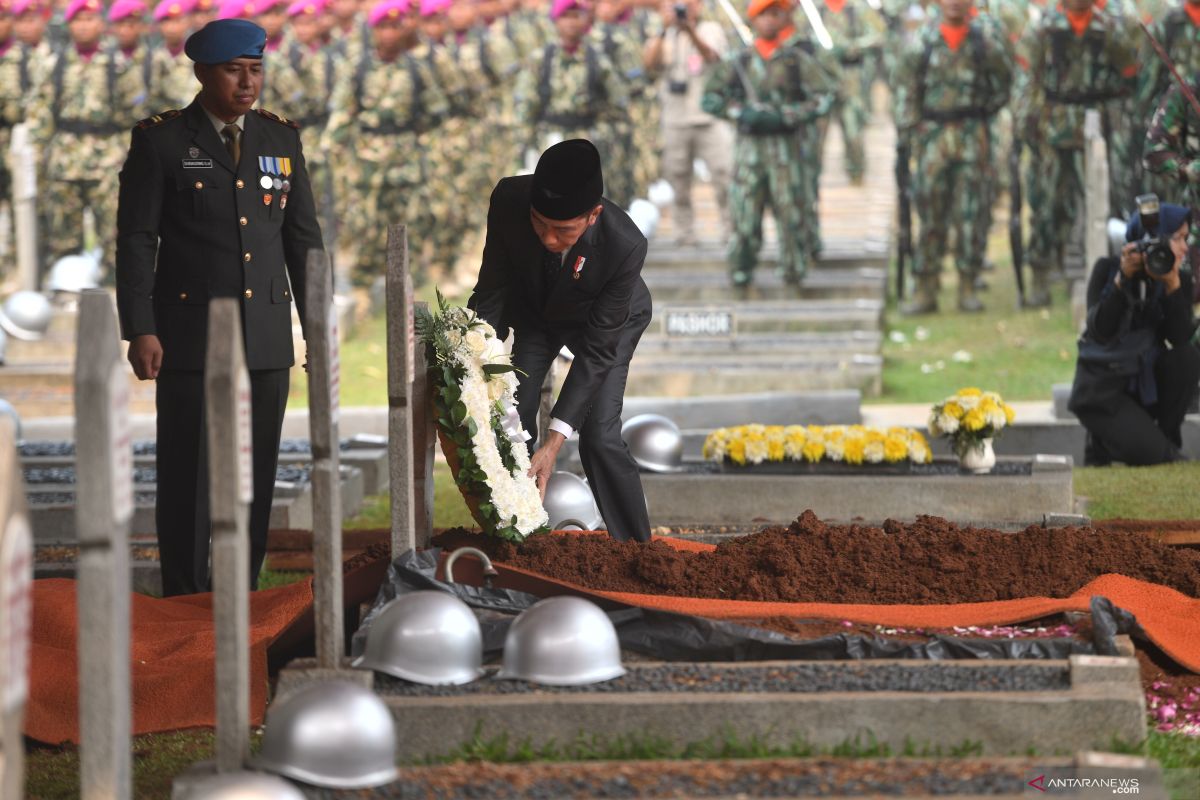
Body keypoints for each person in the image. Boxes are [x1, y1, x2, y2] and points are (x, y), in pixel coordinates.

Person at [115, 18, 324, 596]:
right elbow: (137, 239)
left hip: (263, 339)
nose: (247, 82)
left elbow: (303, 242)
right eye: (234, 70)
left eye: (256, 70)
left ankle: (241, 591)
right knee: (188, 475)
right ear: (203, 72)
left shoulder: (281, 139)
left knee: (254, 477)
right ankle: (185, 594)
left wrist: (317, 332)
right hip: (189, 336)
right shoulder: (160, 141)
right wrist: (141, 328)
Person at [468, 139, 653, 543]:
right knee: (513, 416)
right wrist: (475, 362)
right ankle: (518, 533)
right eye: (540, 224)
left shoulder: (626, 245)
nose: (548, 240)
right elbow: (493, 289)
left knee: (599, 434)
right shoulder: (509, 199)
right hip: (539, 312)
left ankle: (636, 547)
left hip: (606, 322)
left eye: (563, 230)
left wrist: (555, 443)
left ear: (593, 216)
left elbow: (597, 352)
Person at [700, 0, 836, 296]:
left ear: (784, 17)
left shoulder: (796, 60)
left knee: (791, 217)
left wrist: (787, 116)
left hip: (787, 154)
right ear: (753, 21)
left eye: (775, 14)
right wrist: (740, 114)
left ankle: (792, 280)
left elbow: (824, 96)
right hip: (749, 156)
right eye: (763, 15)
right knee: (745, 220)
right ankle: (740, 279)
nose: (769, 21)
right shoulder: (739, 61)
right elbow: (710, 98)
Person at [892, 0, 1013, 314]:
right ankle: (925, 288)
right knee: (930, 212)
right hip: (933, 139)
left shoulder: (983, 42)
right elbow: (906, 89)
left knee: (971, 214)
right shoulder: (922, 42)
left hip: (973, 138)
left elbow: (1003, 82)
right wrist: (911, 134)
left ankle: (968, 285)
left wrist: (983, 113)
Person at [1017, 0, 1137, 306]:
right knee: (1047, 204)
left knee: (1104, 203)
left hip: (1098, 126)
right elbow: (1028, 80)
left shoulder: (1110, 26)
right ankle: (1041, 275)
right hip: (1053, 126)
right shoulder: (1043, 28)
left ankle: (1106, 274)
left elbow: (1130, 72)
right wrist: (1026, 126)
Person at [1068, 202, 1199, 466]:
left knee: (1188, 357)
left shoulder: (1179, 280)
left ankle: (1164, 441)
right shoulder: (1108, 269)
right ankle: (1118, 443)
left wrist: (1171, 286)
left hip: (1145, 384)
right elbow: (1100, 331)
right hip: (1104, 392)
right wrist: (1121, 280)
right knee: (1151, 455)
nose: (1186, 247)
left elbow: (1181, 339)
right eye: (1178, 238)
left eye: (1187, 238)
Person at [643, 0, 732, 245]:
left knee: (724, 173)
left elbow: (712, 56)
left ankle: (730, 230)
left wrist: (690, 30)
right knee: (678, 180)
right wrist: (664, 30)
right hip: (675, 119)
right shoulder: (662, 31)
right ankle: (685, 233)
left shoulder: (710, 29)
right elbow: (649, 64)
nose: (684, 9)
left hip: (708, 117)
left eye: (689, 4)